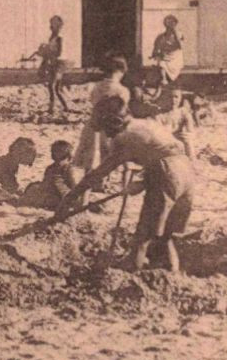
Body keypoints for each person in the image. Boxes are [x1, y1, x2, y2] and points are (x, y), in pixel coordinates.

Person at [63, 96, 195, 273]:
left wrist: (71, 196)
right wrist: (144, 182)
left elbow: (101, 172)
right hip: (186, 171)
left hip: (166, 172)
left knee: (143, 234)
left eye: (104, 128)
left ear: (115, 122)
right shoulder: (146, 124)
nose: (105, 134)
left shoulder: (123, 138)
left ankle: (132, 270)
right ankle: (172, 273)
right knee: (165, 234)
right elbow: (163, 152)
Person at [75, 56, 131, 174]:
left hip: (94, 123)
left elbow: (93, 101)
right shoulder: (122, 90)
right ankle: (105, 180)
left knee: (91, 154)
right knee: (109, 153)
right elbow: (122, 109)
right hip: (111, 126)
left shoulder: (96, 86)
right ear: (120, 72)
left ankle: (89, 179)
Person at [24, 16, 72, 117]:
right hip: (53, 62)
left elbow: (59, 53)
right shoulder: (53, 37)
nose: (51, 26)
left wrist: (47, 52)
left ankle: (53, 108)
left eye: (53, 24)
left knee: (52, 86)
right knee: (55, 88)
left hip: (58, 63)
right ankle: (65, 107)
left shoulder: (59, 38)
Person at [20, 140, 80, 210]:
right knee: (32, 187)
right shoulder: (51, 168)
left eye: (62, 158)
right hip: (49, 193)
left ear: (68, 157)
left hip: (61, 196)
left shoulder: (68, 169)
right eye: (55, 157)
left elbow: (75, 187)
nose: (59, 162)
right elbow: (45, 182)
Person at [150, 16, 186, 85]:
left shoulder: (179, 34)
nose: (170, 27)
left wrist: (176, 34)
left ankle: (168, 78)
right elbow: (156, 48)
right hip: (165, 57)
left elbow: (180, 46)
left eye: (172, 24)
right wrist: (156, 54)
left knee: (164, 63)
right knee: (161, 63)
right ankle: (164, 79)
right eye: (168, 24)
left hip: (175, 57)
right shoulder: (161, 37)